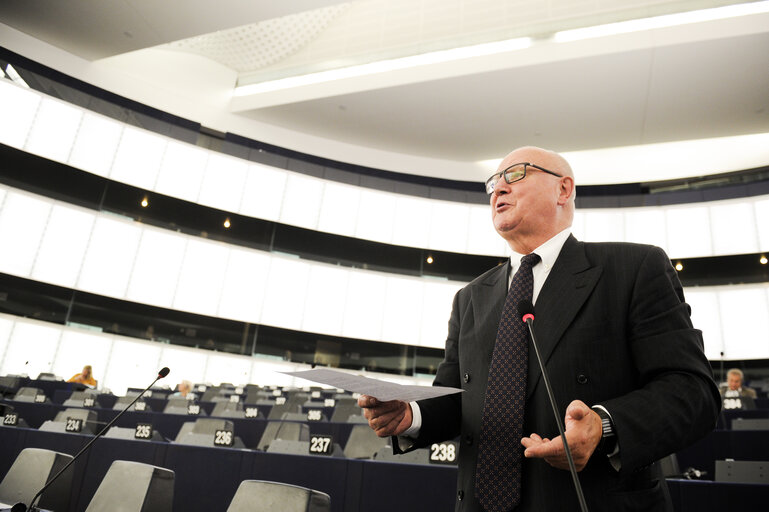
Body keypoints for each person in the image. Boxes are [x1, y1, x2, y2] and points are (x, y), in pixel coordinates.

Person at [358, 146, 720, 511]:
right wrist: (410, 415)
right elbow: (458, 400)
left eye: (515, 174)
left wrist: (604, 425)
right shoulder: (469, 298)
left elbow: (692, 390)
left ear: (564, 190)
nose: (498, 188)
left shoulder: (635, 268)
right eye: (493, 183)